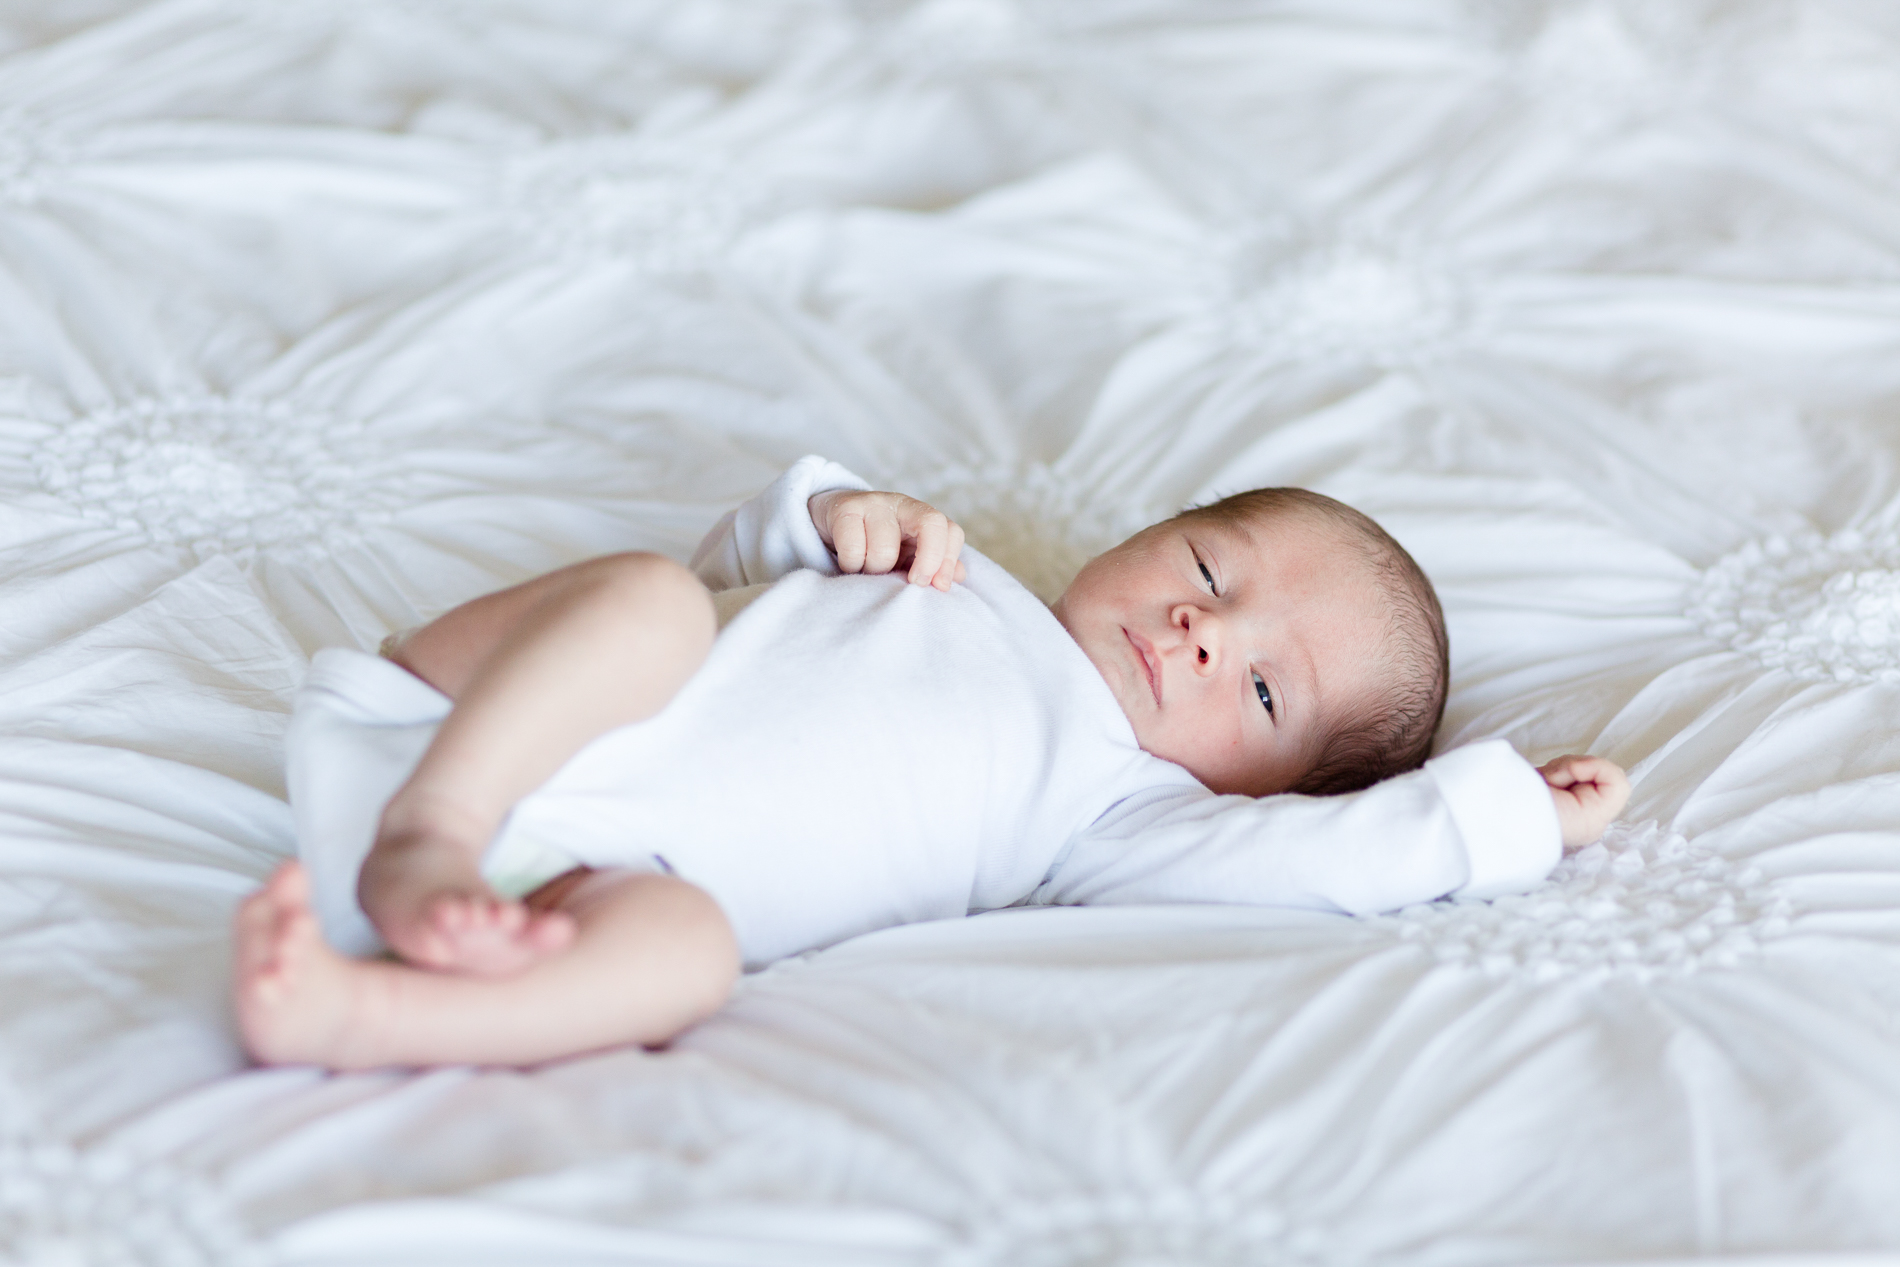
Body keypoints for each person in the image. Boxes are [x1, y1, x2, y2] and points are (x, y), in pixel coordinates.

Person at [234, 457, 1630, 1070]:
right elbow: (738, 556)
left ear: (1253, 789)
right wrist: (833, 511)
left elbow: (1331, 863)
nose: (1206, 631)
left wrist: (1508, 820)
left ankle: (366, 1019)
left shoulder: (1124, 820)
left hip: (560, 890)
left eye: (1265, 688)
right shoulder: (956, 575)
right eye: (1212, 566)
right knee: (651, 601)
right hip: (450, 728)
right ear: (1162, 527)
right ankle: (429, 831)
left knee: (689, 957)